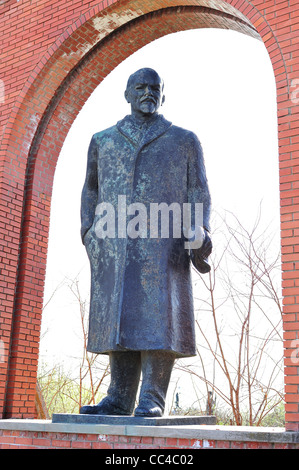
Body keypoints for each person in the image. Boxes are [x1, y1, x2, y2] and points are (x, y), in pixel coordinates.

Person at [80, 68, 212, 417]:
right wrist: (89, 234)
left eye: (155, 89)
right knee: (118, 316)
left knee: (159, 317)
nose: (148, 93)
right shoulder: (103, 140)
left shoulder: (183, 140)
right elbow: (90, 190)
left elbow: (197, 190)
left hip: (163, 245)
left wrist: (199, 229)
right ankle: (118, 398)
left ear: (163, 96)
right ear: (126, 94)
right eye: (140, 87)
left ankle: (152, 398)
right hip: (113, 245)